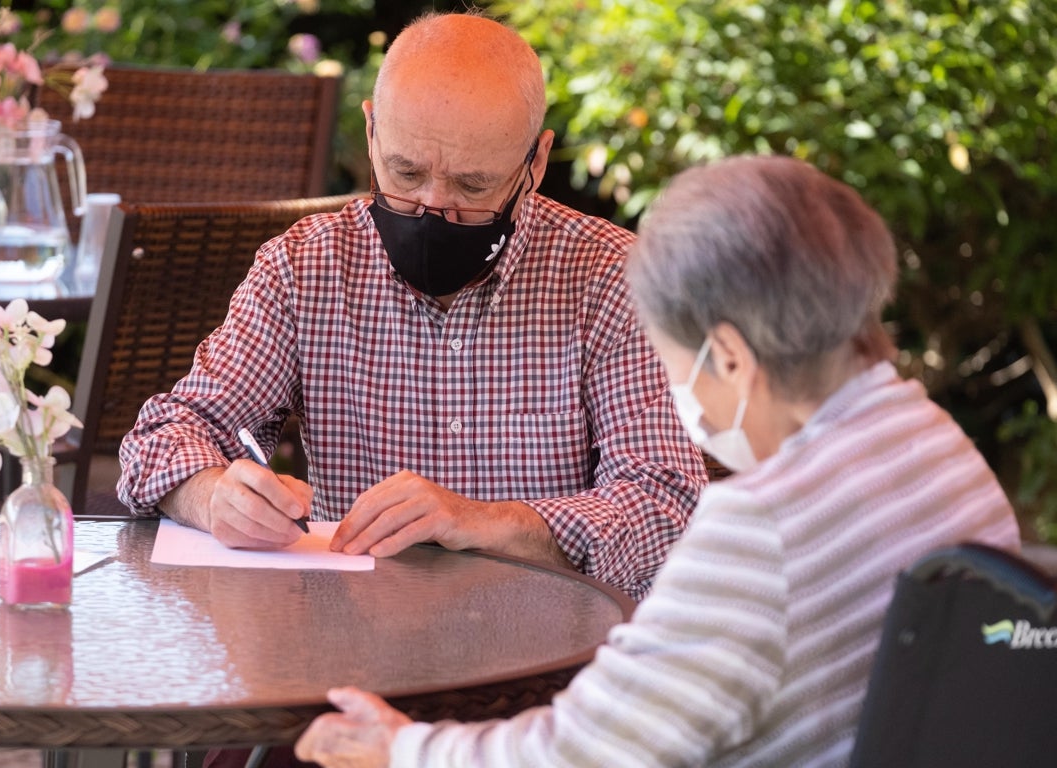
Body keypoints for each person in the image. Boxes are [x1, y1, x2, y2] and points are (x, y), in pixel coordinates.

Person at [291, 155, 1022, 767]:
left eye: (676, 368)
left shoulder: (760, 528)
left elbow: (586, 752)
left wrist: (404, 749)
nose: (680, 398)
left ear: (730, 358)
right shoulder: (940, 449)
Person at [117, 9, 706, 603]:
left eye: (473, 185)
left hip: (556, 656)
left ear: (536, 162)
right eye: (406, 172)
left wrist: (482, 522)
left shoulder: (612, 279)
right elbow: (161, 439)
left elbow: (666, 507)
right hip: (351, 650)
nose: (432, 208)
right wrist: (213, 494)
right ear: (372, 132)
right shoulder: (304, 269)